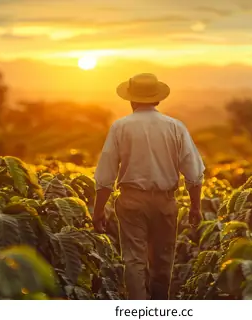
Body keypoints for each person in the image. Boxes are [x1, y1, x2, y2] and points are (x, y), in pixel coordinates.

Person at [92, 73, 205, 300]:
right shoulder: (175, 127)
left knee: (133, 260)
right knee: (163, 261)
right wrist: (195, 206)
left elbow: (106, 175)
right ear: (157, 99)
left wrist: (98, 210)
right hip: (165, 201)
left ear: (131, 99)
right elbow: (193, 173)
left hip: (131, 200)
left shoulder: (120, 127)